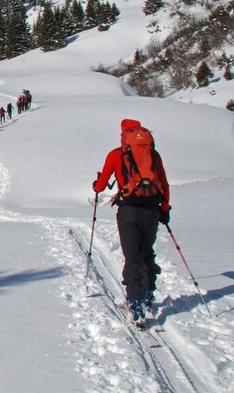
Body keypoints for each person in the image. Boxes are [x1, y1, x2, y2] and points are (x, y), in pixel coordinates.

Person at [92, 119, 171, 324]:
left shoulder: (116, 155)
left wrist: (96, 184)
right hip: (152, 210)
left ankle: (135, 301)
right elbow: (164, 183)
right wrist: (164, 209)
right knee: (146, 251)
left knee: (132, 255)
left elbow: (101, 186)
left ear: (123, 135)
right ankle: (148, 293)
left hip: (128, 210)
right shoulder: (154, 155)